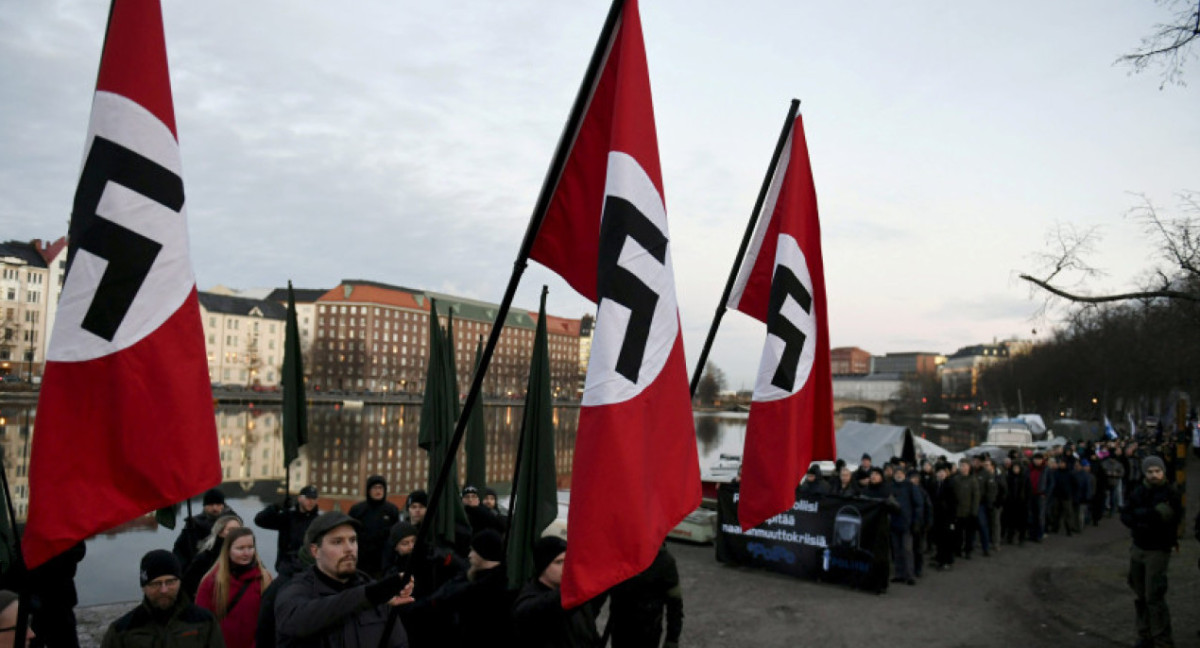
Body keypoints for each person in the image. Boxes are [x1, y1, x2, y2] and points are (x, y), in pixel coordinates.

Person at [275, 512, 415, 648]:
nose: (349, 549)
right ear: (315, 551)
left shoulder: (377, 592)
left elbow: (398, 643)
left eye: (353, 540)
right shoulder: (294, 591)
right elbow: (298, 621)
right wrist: (368, 596)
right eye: (337, 542)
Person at [101, 550, 224, 648]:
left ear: (180, 582)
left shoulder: (205, 622)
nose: (164, 590)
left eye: (170, 582)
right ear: (144, 587)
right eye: (156, 584)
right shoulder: (122, 631)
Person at [1120, 455, 1183, 648]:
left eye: (1157, 471)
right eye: (1150, 472)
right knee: (1140, 594)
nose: (1154, 475)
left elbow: (1165, 518)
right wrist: (1144, 516)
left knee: (1154, 596)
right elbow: (1126, 514)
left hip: (1158, 549)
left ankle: (1162, 639)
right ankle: (1145, 634)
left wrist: (1141, 516)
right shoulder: (1138, 491)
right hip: (1138, 547)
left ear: (1163, 472)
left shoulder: (1170, 493)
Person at [424, 529, 517, 647]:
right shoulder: (496, 578)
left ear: (483, 553)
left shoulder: (481, 589)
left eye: (473, 550)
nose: (469, 555)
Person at [512, 536, 602, 646]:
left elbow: (590, 636)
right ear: (543, 566)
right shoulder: (529, 602)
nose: (566, 567)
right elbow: (546, 607)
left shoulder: (578, 599)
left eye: (568, 561)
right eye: (559, 562)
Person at [196, 527, 272, 648]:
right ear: (228, 550)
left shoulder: (264, 579)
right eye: (240, 548)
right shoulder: (211, 581)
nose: (246, 553)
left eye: (250, 547)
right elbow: (200, 623)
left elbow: (270, 621)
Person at [607, 544, 683, 648]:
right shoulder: (622, 556)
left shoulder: (664, 561)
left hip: (647, 632)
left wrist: (672, 638)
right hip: (620, 628)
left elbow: (675, 604)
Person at [255, 486, 321, 578]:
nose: (311, 502)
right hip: (286, 570)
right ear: (299, 498)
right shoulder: (288, 517)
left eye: (314, 499)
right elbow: (260, 521)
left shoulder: (319, 521)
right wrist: (276, 507)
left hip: (309, 571)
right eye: (308, 498)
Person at [348, 475, 401, 578]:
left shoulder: (392, 510)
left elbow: (396, 536)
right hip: (361, 561)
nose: (378, 491)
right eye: (374, 488)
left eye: (380, 488)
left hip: (384, 561)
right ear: (368, 490)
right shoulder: (358, 510)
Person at [183, 514, 243, 598]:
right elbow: (188, 585)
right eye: (231, 530)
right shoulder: (205, 557)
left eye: (239, 530)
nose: (235, 534)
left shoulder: (246, 556)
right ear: (219, 532)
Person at [174, 489, 235, 567]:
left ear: (223, 505)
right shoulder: (193, 524)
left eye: (218, 504)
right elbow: (179, 549)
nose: (214, 508)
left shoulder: (232, 523)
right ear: (204, 506)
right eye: (210, 504)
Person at [888, 465, 922, 586]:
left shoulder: (911, 487)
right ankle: (899, 574)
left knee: (907, 550)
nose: (898, 475)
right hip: (894, 523)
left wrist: (916, 522)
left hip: (907, 523)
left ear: (904, 474)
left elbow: (918, 505)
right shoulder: (891, 487)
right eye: (896, 473)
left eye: (900, 473)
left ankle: (909, 575)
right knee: (896, 550)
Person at [951, 459, 979, 560]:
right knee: (957, 533)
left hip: (969, 512)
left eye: (965, 466)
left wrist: (974, 512)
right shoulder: (956, 479)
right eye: (961, 466)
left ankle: (968, 551)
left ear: (969, 467)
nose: (963, 468)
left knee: (969, 534)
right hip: (958, 512)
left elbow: (976, 497)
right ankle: (957, 550)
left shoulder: (973, 480)